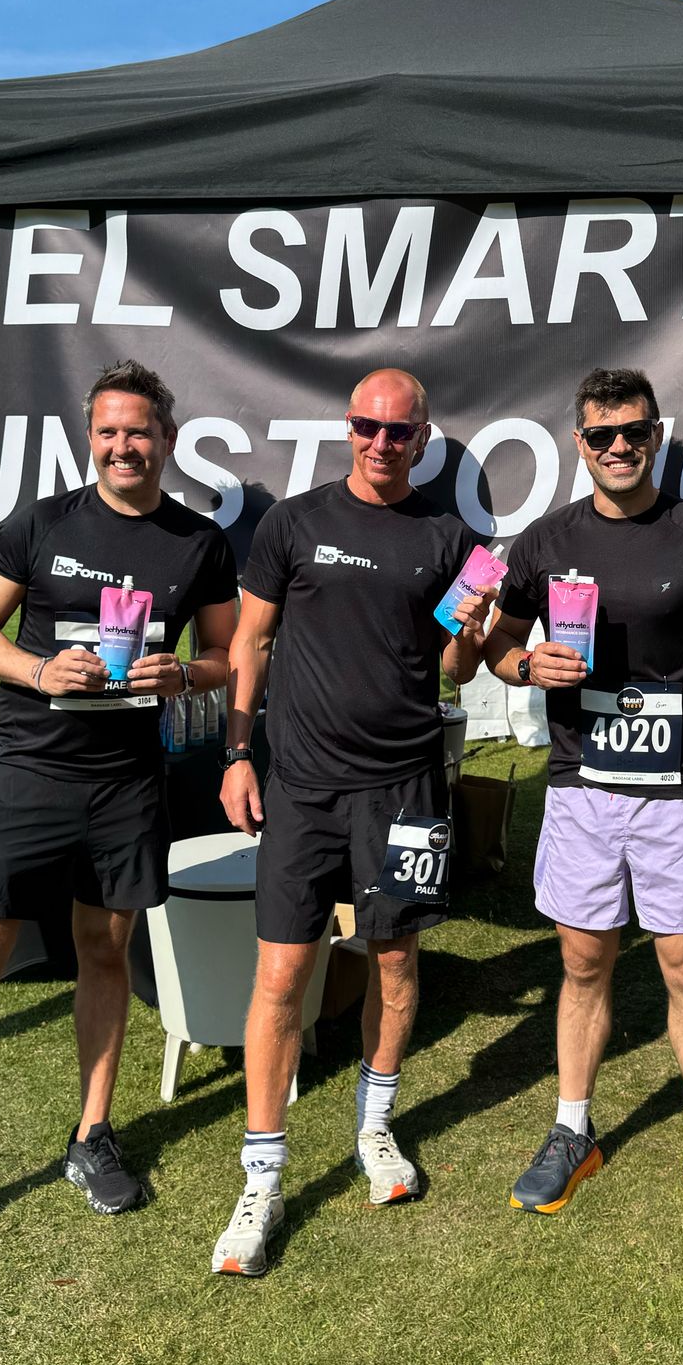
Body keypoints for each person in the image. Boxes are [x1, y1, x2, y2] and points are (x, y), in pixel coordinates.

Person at [0, 360, 238, 1281]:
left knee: (104, 953)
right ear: (89, 438)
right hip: (27, 774)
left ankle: (92, 1134)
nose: (123, 446)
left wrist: (186, 675)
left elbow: (223, 654)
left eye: (138, 431)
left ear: (166, 440)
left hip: (126, 783)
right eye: (107, 432)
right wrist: (37, 671)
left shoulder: (195, 543)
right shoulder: (43, 523)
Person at [211, 368, 495, 1278]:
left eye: (400, 432)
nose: (382, 443)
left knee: (396, 961)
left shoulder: (452, 538)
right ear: (348, 429)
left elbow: (456, 670)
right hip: (299, 784)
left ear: (423, 438)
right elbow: (249, 641)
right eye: (368, 428)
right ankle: (264, 1174)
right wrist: (237, 752)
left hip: (407, 787)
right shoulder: (293, 522)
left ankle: (376, 1129)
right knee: (283, 971)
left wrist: (479, 627)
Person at [482, 367, 683, 1229]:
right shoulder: (543, 541)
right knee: (582, 963)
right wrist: (527, 666)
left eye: (634, 432)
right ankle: (574, 1128)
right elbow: (496, 643)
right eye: (602, 435)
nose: (619, 447)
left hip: (677, 794)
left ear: (655, 436)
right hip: (580, 789)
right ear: (581, 443)